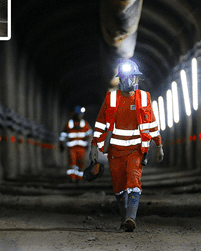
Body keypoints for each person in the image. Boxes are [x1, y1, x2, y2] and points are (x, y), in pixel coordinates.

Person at [90, 59, 164, 232]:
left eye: (132, 77)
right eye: (124, 76)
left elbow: (151, 122)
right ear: (120, 79)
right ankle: (124, 217)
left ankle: (131, 217)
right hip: (115, 151)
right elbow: (101, 123)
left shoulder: (144, 97)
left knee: (133, 179)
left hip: (136, 150)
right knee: (119, 186)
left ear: (137, 79)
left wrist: (158, 144)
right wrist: (94, 146)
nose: (128, 80)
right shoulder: (111, 98)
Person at [59, 106, 92, 181]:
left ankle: (80, 178)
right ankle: (72, 178)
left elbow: (89, 132)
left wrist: (87, 139)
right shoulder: (69, 124)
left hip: (81, 148)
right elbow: (63, 134)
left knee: (81, 163)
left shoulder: (85, 124)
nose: (80, 116)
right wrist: (61, 143)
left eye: (81, 115)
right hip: (72, 148)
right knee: (72, 163)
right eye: (79, 114)